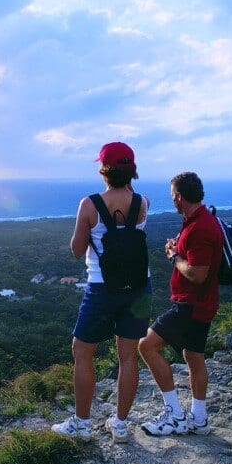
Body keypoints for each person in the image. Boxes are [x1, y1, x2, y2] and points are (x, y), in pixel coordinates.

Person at [51, 142, 152, 443]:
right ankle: (120, 425)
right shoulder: (144, 202)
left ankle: (82, 425)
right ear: (131, 169)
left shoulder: (90, 204)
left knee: (82, 353)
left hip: (101, 287)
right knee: (128, 356)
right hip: (139, 287)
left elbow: (76, 249)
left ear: (104, 170)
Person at [138, 172, 222, 436]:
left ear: (179, 196)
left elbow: (198, 274)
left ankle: (174, 414)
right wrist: (178, 249)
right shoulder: (198, 220)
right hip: (203, 303)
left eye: (172, 195)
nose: (172, 199)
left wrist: (175, 257)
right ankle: (199, 418)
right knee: (194, 356)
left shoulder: (199, 227)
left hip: (190, 305)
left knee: (147, 346)